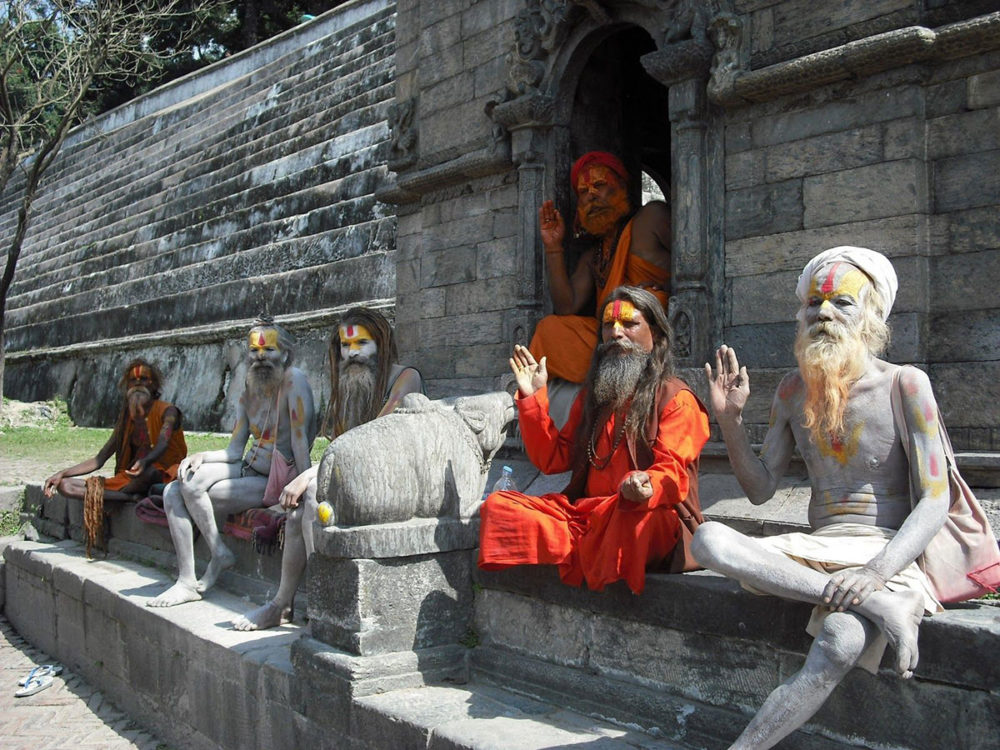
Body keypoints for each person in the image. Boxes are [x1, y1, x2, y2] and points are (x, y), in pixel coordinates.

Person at [695, 246, 950, 749]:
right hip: (817, 552)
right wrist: (729, 422)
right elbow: (761, 489)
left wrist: (875, 573)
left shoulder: (906, 384)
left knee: (842, 639)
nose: (824, 313)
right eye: (814, 303)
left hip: (884, 551)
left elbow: (935, 500)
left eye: (841, 303)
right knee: (707, 538)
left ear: (872, 315)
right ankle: (880, 606)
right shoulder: (792, 390)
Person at [479, 286, 709, 594]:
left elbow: (673, 472)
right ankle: (589, 551)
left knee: (633, 524)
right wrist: (533, 397)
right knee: (499, 507)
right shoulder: (593, 398)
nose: (616, 333)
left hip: (645, 515)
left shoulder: (676, 398)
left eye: (629, 323)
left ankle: (580, 551)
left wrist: (643, 485)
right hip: (587, 516)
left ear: (656, 334)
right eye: (608, 325)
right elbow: (554, 458)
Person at [232, 307, 423, 630]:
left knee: (311, 495)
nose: (352, 353)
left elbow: (372, 441)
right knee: (296, 513)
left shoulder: (406, 378)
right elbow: (340, 446)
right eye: (345, 346)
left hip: (393, 484)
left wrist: (308, 473)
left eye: (361, 343)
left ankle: (323, 604)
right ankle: (283, 604)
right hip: (356, 479)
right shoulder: (349, 383)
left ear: (382, 343)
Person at [148, 317, 316, 608]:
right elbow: (235, 450)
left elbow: (301, 441)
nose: (260, 357)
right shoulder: (250, 387)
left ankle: (217, 557)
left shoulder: (294, 380)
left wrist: (303, 486)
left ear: (285, 354)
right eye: (254, 352)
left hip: (274, 480)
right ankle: (188, 578)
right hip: (248, 468)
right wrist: (200, 456)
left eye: (269, 351)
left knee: (194, 489)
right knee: (174, 489)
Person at [529, 151, 672, 383]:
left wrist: (667, 286)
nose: (591, 196)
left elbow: (696, 255)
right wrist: (553, 246)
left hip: (651, 335)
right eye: (583, 192)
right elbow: (566, 306)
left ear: (623, 187)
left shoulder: (651, 218)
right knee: (549, 329)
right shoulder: (593, 256)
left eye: (599, 184)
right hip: (610, 335)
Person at [43, 359, 186, 502]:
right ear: (127, 386)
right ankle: (129, 497)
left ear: (153, 385)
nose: (137, 384)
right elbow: (99, 460)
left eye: (143, 379)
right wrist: (62, 473)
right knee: (65, 486)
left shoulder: (169, 412)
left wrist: (145, 462)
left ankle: (124, 495)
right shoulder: (126, 419)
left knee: (149, 472)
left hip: (162, 475)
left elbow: (163, 443)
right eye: (132, 380)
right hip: (129, 480)